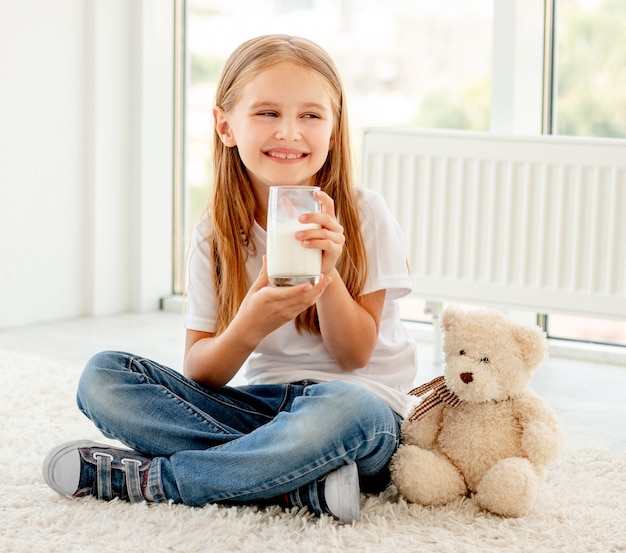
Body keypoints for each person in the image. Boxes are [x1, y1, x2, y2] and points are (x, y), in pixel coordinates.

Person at [42, 34, 417, 523]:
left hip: (359, 413)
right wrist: (247, 326)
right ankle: (292, 481)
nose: (289, 132)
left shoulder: (364, 213)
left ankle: (158, 480)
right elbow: (202, 371)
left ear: (333, 126)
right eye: (267, 113)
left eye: (310, 115)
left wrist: (329, 280)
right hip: (262, 409)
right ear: (225, 125)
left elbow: (355, 356)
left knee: (344, 407)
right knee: (104, 378)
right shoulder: (213, 236)